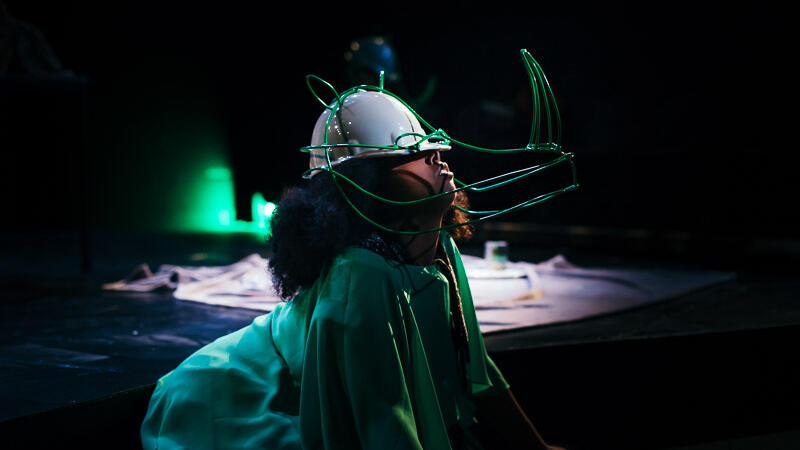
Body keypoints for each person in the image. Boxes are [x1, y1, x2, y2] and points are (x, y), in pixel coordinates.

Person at [141, 88, 565, 449]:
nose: (436, 157)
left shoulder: (442, 248)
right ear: (369, 184)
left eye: (432, 148)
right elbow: (383, 417)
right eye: (411, 154)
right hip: (237, 390)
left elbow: (474, 364)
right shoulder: (362, 273)